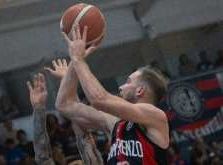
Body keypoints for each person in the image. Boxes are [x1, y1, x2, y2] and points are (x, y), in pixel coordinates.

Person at [55, 24, 169, 164]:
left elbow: (99, 99)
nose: (121, 87)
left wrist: (78, 59)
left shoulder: (155, 116)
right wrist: (73, 63)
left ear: (140, 90)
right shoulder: (113, 121)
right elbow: (64, 105)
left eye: (128, 82)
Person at [27, 72, 103, 165]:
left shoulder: (94, 162)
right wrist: (38, 107)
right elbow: (43, 159)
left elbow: (85, 137)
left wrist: (67, 85)